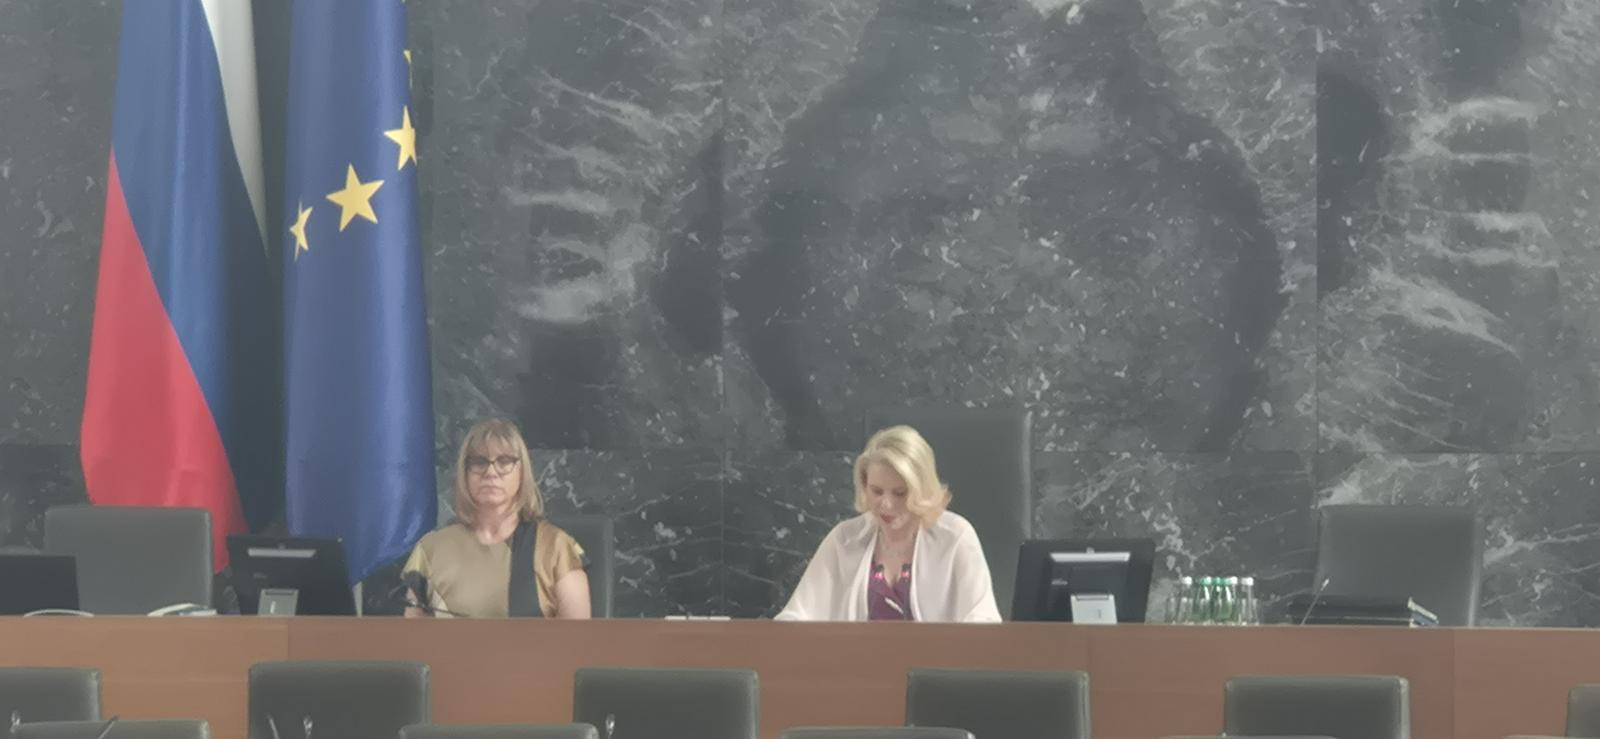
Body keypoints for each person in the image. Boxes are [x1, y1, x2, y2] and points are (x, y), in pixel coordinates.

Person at [776, 425, 1001, 622]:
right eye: (876, 491)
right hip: (854, 659)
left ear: (921, 490)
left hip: (937, 659)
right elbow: (794, 618)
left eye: (899, 493)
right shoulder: (844, 539)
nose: (886, 504)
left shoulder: (955, 536)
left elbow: (984, 622)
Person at [403, 418, 591, 618]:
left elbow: (578, 636)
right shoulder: (430, 550)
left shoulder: (557, 548)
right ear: (464, 473)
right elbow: (410, 635)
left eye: (504, 461)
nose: (491, 472)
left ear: (522, 472)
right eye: (479, 462)